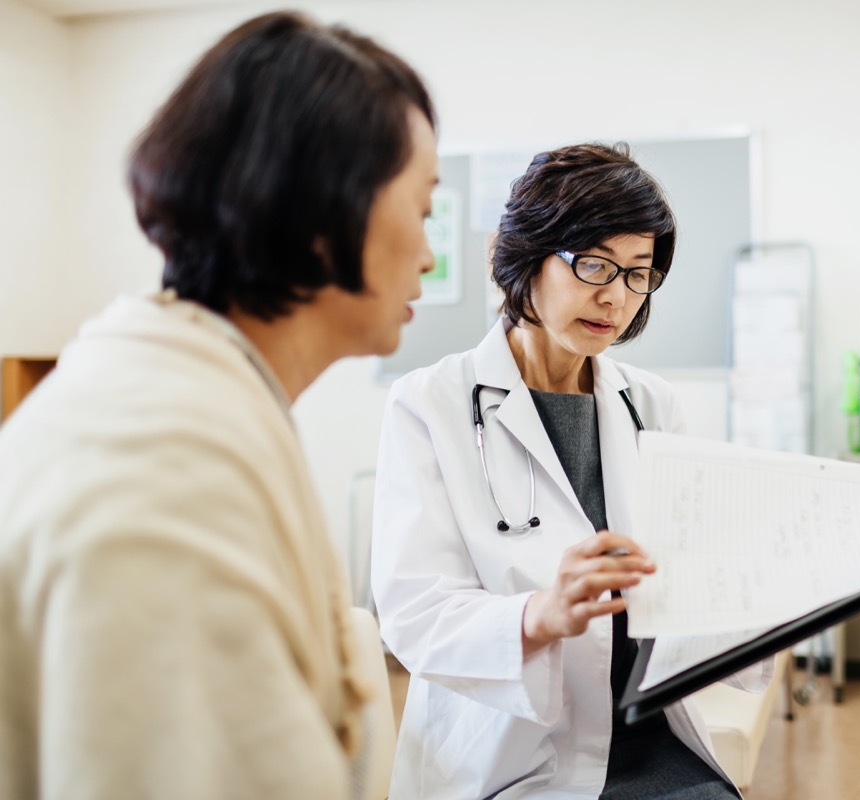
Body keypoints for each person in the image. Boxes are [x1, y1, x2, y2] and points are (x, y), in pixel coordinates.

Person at [0, 12, 437, 799]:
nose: (431, 255)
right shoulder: (165, 475)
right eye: (425, 207)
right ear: (323, 212)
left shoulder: (190, 397)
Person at [372, 143, 772, 799]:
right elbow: (416, 613)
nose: (616, 297)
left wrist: (770, 595)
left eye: (638, 273)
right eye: (594, 264)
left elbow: (685, 585)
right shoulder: (429, 404)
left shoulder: (650, 405)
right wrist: (540, 614)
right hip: (508, 753)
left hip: (647, 736)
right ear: (527, 256)